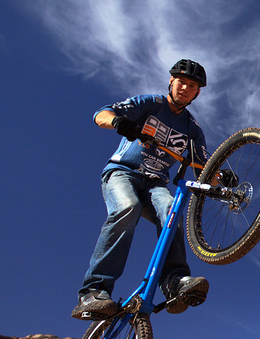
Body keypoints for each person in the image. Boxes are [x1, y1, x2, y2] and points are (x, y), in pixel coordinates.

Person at [72, 59, 212, 320]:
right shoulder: (151, 103)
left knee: (172, 211)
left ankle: (174, 283)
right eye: (181, 82)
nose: (185, 88)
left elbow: (203, 166)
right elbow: (101, 113)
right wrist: (119, 123)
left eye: (192, 85)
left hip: (155, 183)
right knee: (128, 208)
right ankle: (94, 292)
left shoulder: (192, 129)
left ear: (197, 93)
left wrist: (222, 179)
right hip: (122, 172)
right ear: (171, 82)